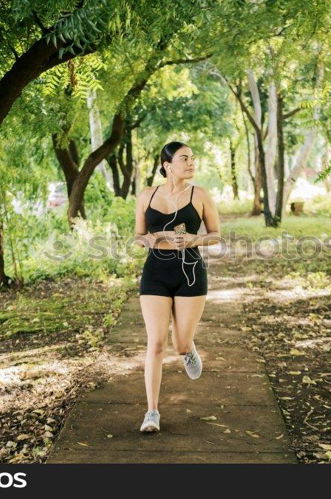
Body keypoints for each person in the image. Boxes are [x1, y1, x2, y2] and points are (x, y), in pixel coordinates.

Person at [133, 141, 221, 433]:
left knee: (179, 344)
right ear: (167, 165)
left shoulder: (200, 195)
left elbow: (216, 235)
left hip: (190, 273)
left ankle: (188, 348)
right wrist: (153, 239)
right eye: (185, 158)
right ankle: (152, 413)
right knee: (156, 343)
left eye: (193, 158)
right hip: (155, 273)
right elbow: (138, 235)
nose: (191, 163)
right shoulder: (147, 195)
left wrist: (194, 240)